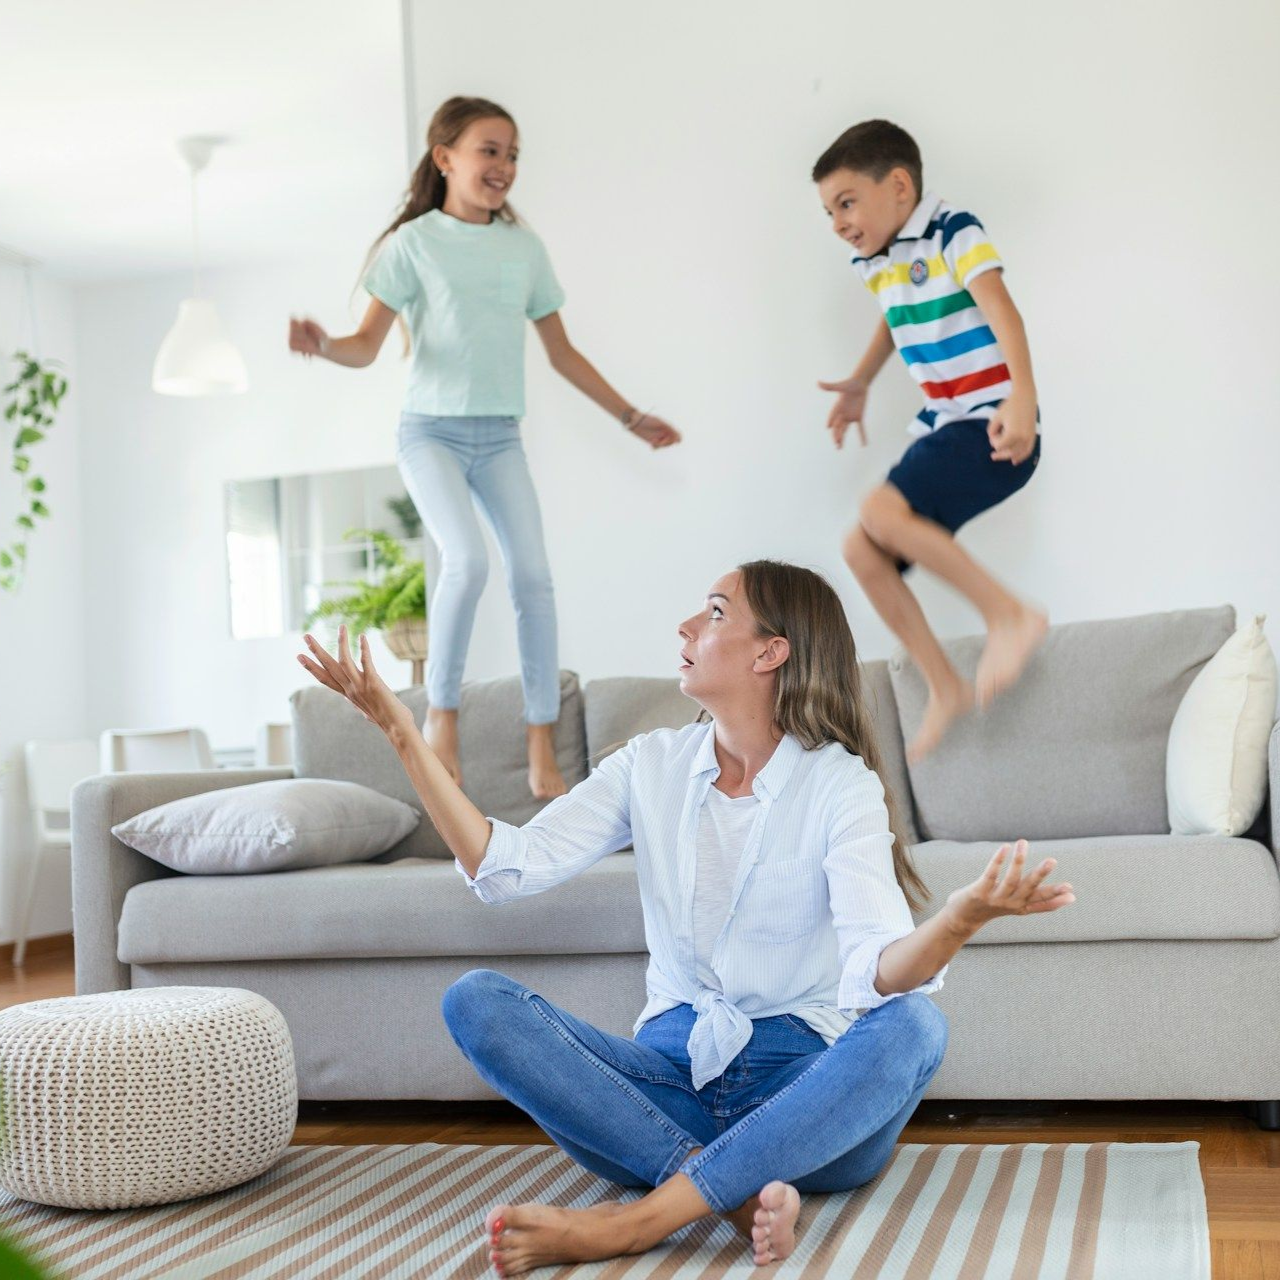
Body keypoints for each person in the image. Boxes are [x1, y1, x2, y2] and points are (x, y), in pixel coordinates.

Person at [296, 559, 1074, 1275]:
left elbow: (877, 973)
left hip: (806, 1095)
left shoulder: (840, 786)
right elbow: (505, 866)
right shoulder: (651, 763)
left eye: (712, 613)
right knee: (476, 1002)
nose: (685, 628)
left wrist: (959, 919)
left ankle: (638, 1222)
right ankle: (734, 1197)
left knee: (916, 1027)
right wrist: (400, 729)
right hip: (666, 1080)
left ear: (771, 652)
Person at [289, 95, 680, 799]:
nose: (503, 166)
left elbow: (561, 353)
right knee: (465, 562)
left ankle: (541, 743)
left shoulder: (523, 249)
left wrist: (631, 416)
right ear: (445, 158)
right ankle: (441, 716)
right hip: (429, 432)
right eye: (488, 150)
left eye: (512, 154)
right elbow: (366, 346)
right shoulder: (413, 245)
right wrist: (322, 345)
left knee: (533, 575)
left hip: (499, 437)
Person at [815, 119, 1046, 763]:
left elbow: (1003, 310)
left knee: (876, 511)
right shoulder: (877, 259)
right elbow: (896, 319)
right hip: (947, 421)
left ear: (898, 186)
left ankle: (1008, 614)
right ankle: (943, 683)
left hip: (995, 422)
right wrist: (861, 382)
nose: (837, 221)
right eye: (828, 211)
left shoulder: (953, 230)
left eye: (846, 202)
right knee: (861, 548)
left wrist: (1022, 397)